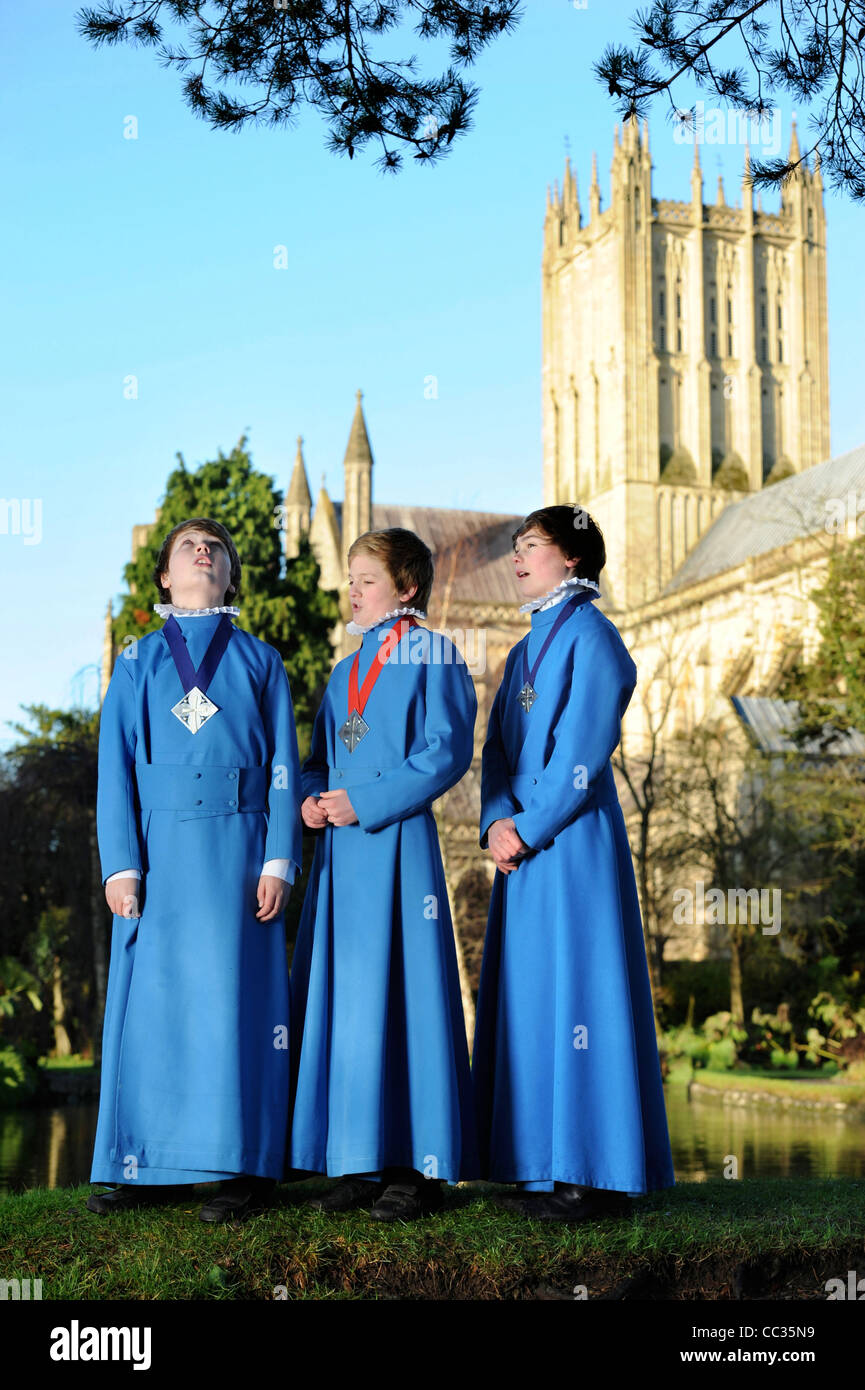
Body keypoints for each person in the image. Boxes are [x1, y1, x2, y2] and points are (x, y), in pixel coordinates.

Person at [87, 518, 302, 1223]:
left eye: (214, 548)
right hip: (158, 854)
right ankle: (142, 1165)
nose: (202, 552)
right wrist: (120, 864)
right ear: (164, 577)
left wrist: (278, 859)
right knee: (155, 1010)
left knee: (237, 1010)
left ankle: (246, 1170)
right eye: (187, 547)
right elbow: (113, 771)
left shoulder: (261, 660)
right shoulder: (135, 662)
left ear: (229, 575)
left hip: (240, 853)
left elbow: (281, 768)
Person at [472, 504, 675, 1221]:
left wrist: (525, 827)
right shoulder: (522, 651)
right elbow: (494, 749)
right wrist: (495, 819)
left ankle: (591, 1176)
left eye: (531, 547)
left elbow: (584, 754)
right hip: (519, 846)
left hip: (570, 840)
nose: (518, 560)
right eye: (517, 548)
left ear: (575, 561)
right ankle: (536, 1166)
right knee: (532, 999)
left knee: (580, 997)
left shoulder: (595, 638)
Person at [288, 527, 478, 1221]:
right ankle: (358, 1160)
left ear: (405, 588)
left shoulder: (435, 655)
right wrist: (310, 798)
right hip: (342, 859)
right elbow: (315, 756)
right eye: (350, 578)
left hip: (396, 849)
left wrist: (361, 802)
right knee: (348, 1007)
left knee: (407, 1002)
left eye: (366, 579)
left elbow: (445, 754)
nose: (352, 590)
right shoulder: (344, 671)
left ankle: (417, 1167)